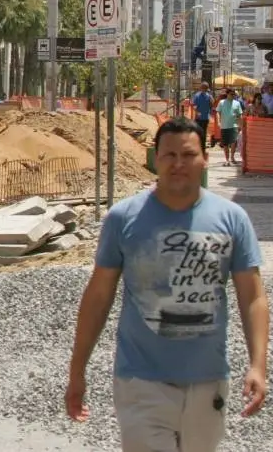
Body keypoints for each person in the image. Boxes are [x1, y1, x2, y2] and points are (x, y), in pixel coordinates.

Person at [65, 117, 268, 451]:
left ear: (204, 158)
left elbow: (253, 297)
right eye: (169, 155)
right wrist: (77, 371)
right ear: (154, 158)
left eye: (188, 155)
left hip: (209, 379)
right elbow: (98, 297)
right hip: (140, 380)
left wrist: (258, 365)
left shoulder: (232, 219)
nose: (178, 164)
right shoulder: (123, 219)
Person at [217, 88, 244, 167]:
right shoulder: (221, 102)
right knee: (225, 144)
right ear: (227, 94)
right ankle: (227, 159)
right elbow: (218, 112)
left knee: (233, 142)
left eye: (234, 95)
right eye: (231, 94)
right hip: (224, 126)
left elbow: (240, 115)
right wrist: (218, 121)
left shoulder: (237, 103)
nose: (233, 96)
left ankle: (232, 157)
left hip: (234, 125)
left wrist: (241, 125)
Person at [191, 81, 214, 153]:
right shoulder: (197, 96)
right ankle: (199, 147)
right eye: (204, 87)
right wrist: (197, 112)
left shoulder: (209, 96)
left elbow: (212, 104)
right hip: (199, 118)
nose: (204, 89)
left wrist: (211, 98)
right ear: (202, 88)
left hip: (205, 118)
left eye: (205, 88)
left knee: (203, 132)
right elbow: (194, 105)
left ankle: (202, 148)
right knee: (199, 132)